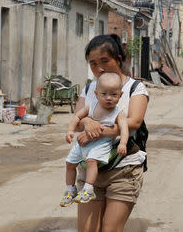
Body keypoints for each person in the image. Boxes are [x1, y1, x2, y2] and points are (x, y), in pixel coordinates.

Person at [75, 34, 148, 232]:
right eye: (93, 63)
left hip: (123, 169)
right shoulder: (90, 88)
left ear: (118, 59)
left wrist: (98, 131)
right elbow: (77, 120)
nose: (99, 68)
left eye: (105, 61)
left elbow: (134, 122)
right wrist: (87, 120)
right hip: (90, 168)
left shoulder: (135, 87)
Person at [60, 72, 129, 207]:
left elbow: (124, 129)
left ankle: (88, 189)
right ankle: (70, 189)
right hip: (82, 143)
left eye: (114, 94)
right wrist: (70, 130)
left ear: (120, 95)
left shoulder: (118, 113)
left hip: (101, 144)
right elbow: (77, 117)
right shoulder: (91, 106)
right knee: (69, 163)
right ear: (96, 94)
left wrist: (123, 143)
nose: (108, 98)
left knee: (91, 161)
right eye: (104, 94)